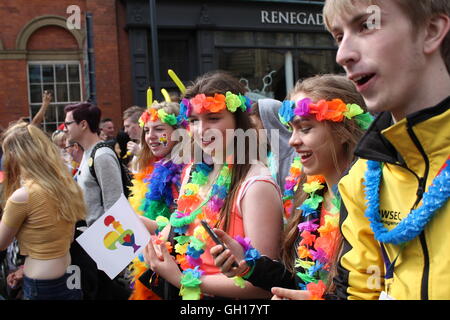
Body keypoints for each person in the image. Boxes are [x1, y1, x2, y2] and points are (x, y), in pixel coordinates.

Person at [322, 0, 450, 300]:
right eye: (339, 37)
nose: (343, 55)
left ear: (431, 31)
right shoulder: (363, 176)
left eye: (366, 26)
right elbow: (359, 290)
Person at [211, 74, 372, 300]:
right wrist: (248, 265)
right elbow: (298, 281)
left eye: (305, 128)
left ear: (342, 129)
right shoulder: (310, 195)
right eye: (291, 129)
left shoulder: (371, 196)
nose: (292, 141)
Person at [141, 71, 284, 300]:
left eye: (214, 118)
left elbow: (263, 284)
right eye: (195, 120)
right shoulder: (193, 171)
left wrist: (182, 281)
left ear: (238, 121)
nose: (201, 129)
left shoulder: (256, 185)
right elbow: (180, 228)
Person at [0, 121, 86, 300]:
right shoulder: (64, 185)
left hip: (42, 286)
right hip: (68, 279)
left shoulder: (23, 196)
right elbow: (67, 238)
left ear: (14, 155)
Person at [64, 102, 130, 300]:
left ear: (83, 124)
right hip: (90, 246)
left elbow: (116, 207)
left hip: (102, 248)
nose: (64, 127)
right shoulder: (88, 154)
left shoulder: (101, 155)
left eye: (68, 123)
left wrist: (111, 258)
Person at [128, 101, 185, 300]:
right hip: (155, 265)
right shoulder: (155, 167)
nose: (150, 136)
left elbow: (187, 232)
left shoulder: (184, 173)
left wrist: (145, 224)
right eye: (147, 130)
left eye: (159, 129)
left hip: (180, 274)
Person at [123, 106, 146, 173]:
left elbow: (158, 170)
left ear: (139, 124)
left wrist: (139, 153)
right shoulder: (139, 144)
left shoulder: (153, 144)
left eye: (127, 126)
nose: (125, 131)